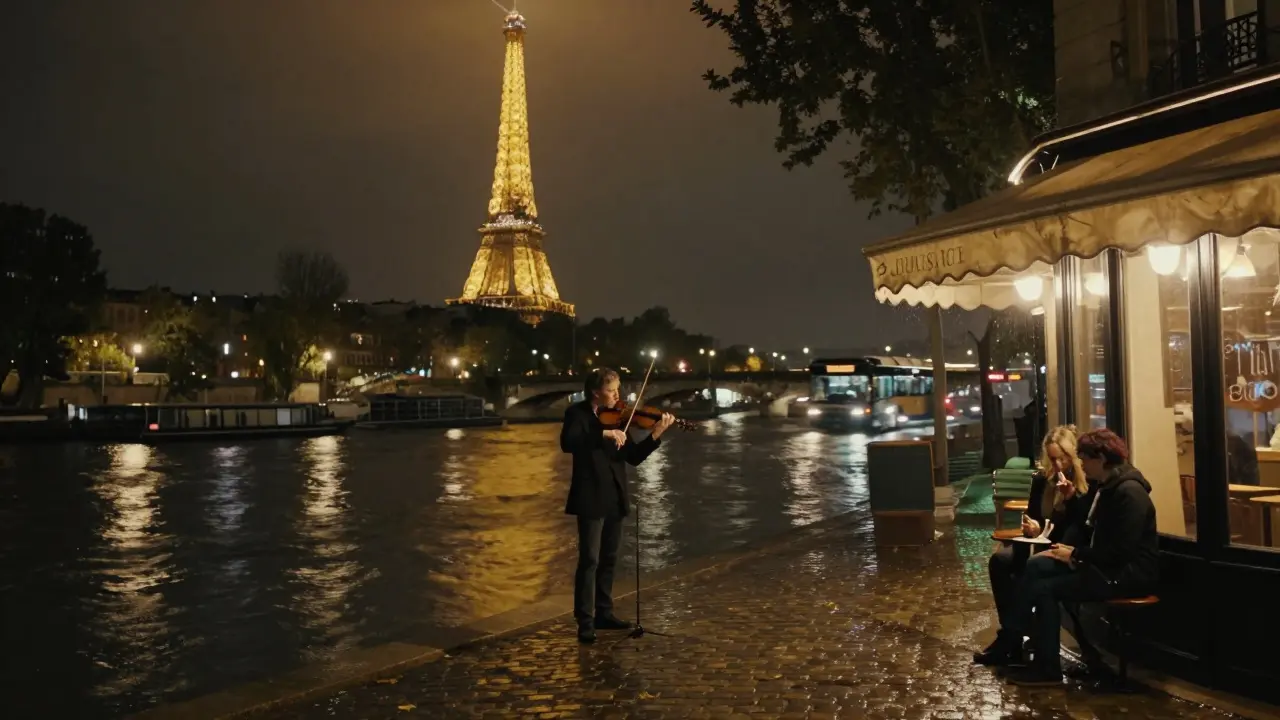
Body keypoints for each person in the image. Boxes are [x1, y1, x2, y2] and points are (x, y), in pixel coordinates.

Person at [1001, 428, 1160, 686]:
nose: (1082, 464)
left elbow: (1119, 552)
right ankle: (1027, 645)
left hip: (1124, 576)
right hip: (1106, 569)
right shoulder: (1108, 487)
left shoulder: (1129, 493)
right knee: (1036, 567)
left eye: (1085, 458)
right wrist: (1071, 550)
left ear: (1101, 458)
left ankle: (1029, 650)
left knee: (1045, 588)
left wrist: (1074, 554)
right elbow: (1090, 530)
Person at [560, 367, 675, 644]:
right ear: (596, 392)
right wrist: (604, 435)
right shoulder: (577, 414)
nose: (618, 395)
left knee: (609, 560)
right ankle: (585, 621)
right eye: (612, 390)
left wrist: (655, 435)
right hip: (590, 497)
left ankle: (604, 613)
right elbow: (568, 443)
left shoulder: (619, 419)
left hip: (614, 496)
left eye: (618, 388)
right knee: (589, 561)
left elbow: (633, 457)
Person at [974, 424, 1096, 666]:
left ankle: (1010, 637)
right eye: (1053, 459)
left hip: (1066, 549)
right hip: (1040, 543)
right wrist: (1033, 527)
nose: (1059, 465)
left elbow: (1081, 527)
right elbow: (1033, 517)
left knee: (1028, 567)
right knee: (1000, 561)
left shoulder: (1087, 484)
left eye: (1063, 459)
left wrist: (1071, 498)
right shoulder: (1043, 481)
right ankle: (1013, 634)